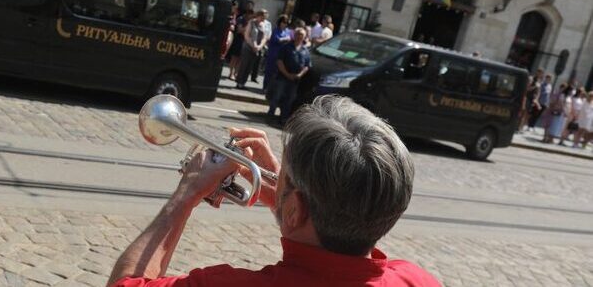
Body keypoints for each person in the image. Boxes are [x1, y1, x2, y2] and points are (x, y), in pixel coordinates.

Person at [108, 94, 441, 287]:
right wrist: (286, 199)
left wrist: (187, 193)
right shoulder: (417, 280)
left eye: (284, 174)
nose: (276, 175)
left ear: (296, 209)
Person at [267, 27, 310, 126]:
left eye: (301, 35)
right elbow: (279, 61)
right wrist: (287, 74)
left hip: (295, 79)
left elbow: (307, 66)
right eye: (298, 34)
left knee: (289, 99)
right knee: (276, 97)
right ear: (294, 35)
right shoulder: (286, 47)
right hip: (282, 77)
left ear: (304, 37)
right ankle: (270, 115)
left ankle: (283, 118)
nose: (299, 36)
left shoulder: (305, 50)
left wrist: (299, 75)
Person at [236, 9, 268, 90]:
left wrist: (259, 46)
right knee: (244, 65)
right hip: (248, 46)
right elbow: (246, 35)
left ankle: (243, 83)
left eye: (265, 17)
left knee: (250, 66)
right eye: (262, 16)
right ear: (258, 15)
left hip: (257, 48)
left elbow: (265, 37)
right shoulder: (252, 22)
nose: (264, 18)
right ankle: (239, 82)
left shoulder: (264, 25)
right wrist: (253, 46)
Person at [263, 14, 292, 93]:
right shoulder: (276, 30)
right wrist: (285, 39)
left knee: (277, 72)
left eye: (286, 23)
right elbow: (277, 39)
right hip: (273, 53)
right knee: (270, 71)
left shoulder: (287, 31)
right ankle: (266, 87)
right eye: (284, 22)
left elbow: (290, 39)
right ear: (280, 22)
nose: (285, 24)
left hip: (282, 55)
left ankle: (273, 89)